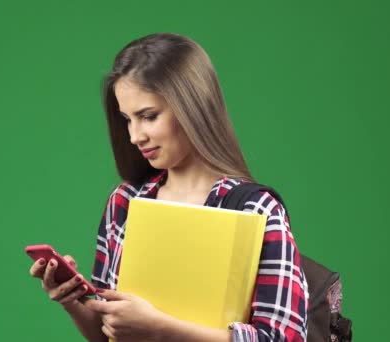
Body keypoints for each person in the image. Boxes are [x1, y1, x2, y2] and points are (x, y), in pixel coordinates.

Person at [29, 32, 308, 342]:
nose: (135, 136)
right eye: (127, 120)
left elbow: (283, 338)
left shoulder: (255, 209)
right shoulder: (124, 202)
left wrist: (161, 329)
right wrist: (72, 301)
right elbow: (107, 333)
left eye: (148, 116)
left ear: (193, 106)